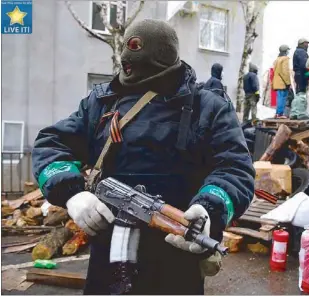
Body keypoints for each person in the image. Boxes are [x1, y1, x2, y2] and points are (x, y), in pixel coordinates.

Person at [32, 19, 254, 295]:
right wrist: (71, 193)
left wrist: (210, 209)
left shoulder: (207, 107)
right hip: (108, 256)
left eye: (140, 67)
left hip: (176, 257)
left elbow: (235, 168)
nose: (130, 73)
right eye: (127, 64)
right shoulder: (101, 103)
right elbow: (50, 144)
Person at [272, 45, 291, 119]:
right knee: (283, 98)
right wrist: (288, 82)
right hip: (282, 82)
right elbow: (285, 72)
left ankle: (277, 113)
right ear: (285, 51)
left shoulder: (277, 59)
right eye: (288, 50)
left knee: (279, 98)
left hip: (276, 82)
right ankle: (280, 114)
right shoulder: (285, 59)